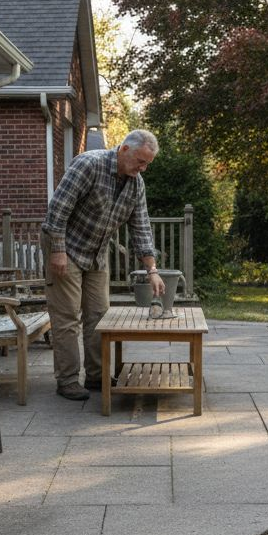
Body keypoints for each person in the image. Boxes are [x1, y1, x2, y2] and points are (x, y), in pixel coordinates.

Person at [40, 129, 166, 400]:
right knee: (68, 317)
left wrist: (152, 270)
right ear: (123, 149)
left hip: (96, 252)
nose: (142, 168)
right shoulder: (89, 164)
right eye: (139, 161)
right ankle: (68, 380)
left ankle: (96, 377)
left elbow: (141, 226)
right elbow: (57, 210)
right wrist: (58, 252)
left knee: (99, 315)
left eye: (147, 164)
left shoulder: (136, 183)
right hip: (65, 245)